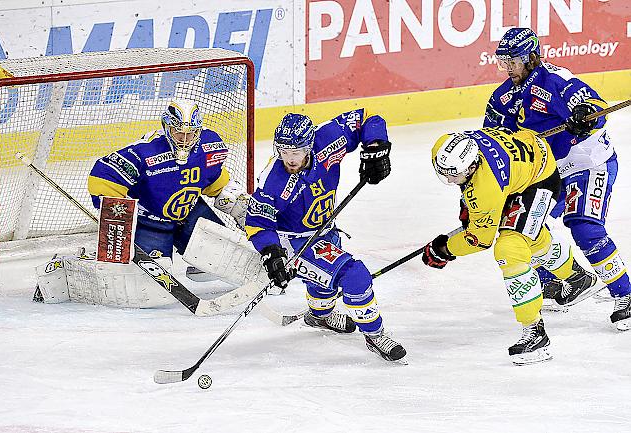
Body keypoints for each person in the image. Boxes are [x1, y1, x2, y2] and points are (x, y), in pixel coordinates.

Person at [484, 27, 630, 330]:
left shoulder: (555, 80)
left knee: (584, 227)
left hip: (587, 163)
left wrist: (583, 118)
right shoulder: (502, 97)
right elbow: (493, 138)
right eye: (504, 62)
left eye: (512, 62)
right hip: (547, 172)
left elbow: (598, 109)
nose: (507, 68)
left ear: (530, 57)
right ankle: (565, 279)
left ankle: (626, 294)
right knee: (520, 225)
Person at [244, 112, 406, 362]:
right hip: (295, 241)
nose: (289, 158)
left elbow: (368, 118)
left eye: (296, 151)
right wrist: (272, 253)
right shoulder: (273, 181)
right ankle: (376, 334)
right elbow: (257, 222)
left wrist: (376, 147)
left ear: (310, 144)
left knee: (323, 286)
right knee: (354, 274)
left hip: (326, 229)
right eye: (284, 151)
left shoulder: (329, 138)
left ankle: (318, 316)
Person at [422, 127, 588, 365]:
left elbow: (479, 240)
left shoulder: (486, 189)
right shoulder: (446, 146)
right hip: (523, 165)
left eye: (454, 176)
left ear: (471, 167)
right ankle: (576, 278)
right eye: (444, 173)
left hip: (541, 180)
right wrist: (469, 205)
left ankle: (536, 333)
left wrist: (445, 249)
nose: (448, 179)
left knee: (510, 248)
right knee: (528, 232)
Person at [88, 98, 249, 264]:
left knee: (226, 257)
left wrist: (244, 212)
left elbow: (213, 179)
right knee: (152, 275)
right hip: (149, 221)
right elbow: (103, 176)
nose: (184, 139)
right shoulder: (145, 152)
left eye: (191, 133)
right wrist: (118, 220)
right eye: (178, 132)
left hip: (190, 213)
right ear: (166, 127)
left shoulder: (209, 145)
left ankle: (201, 258)